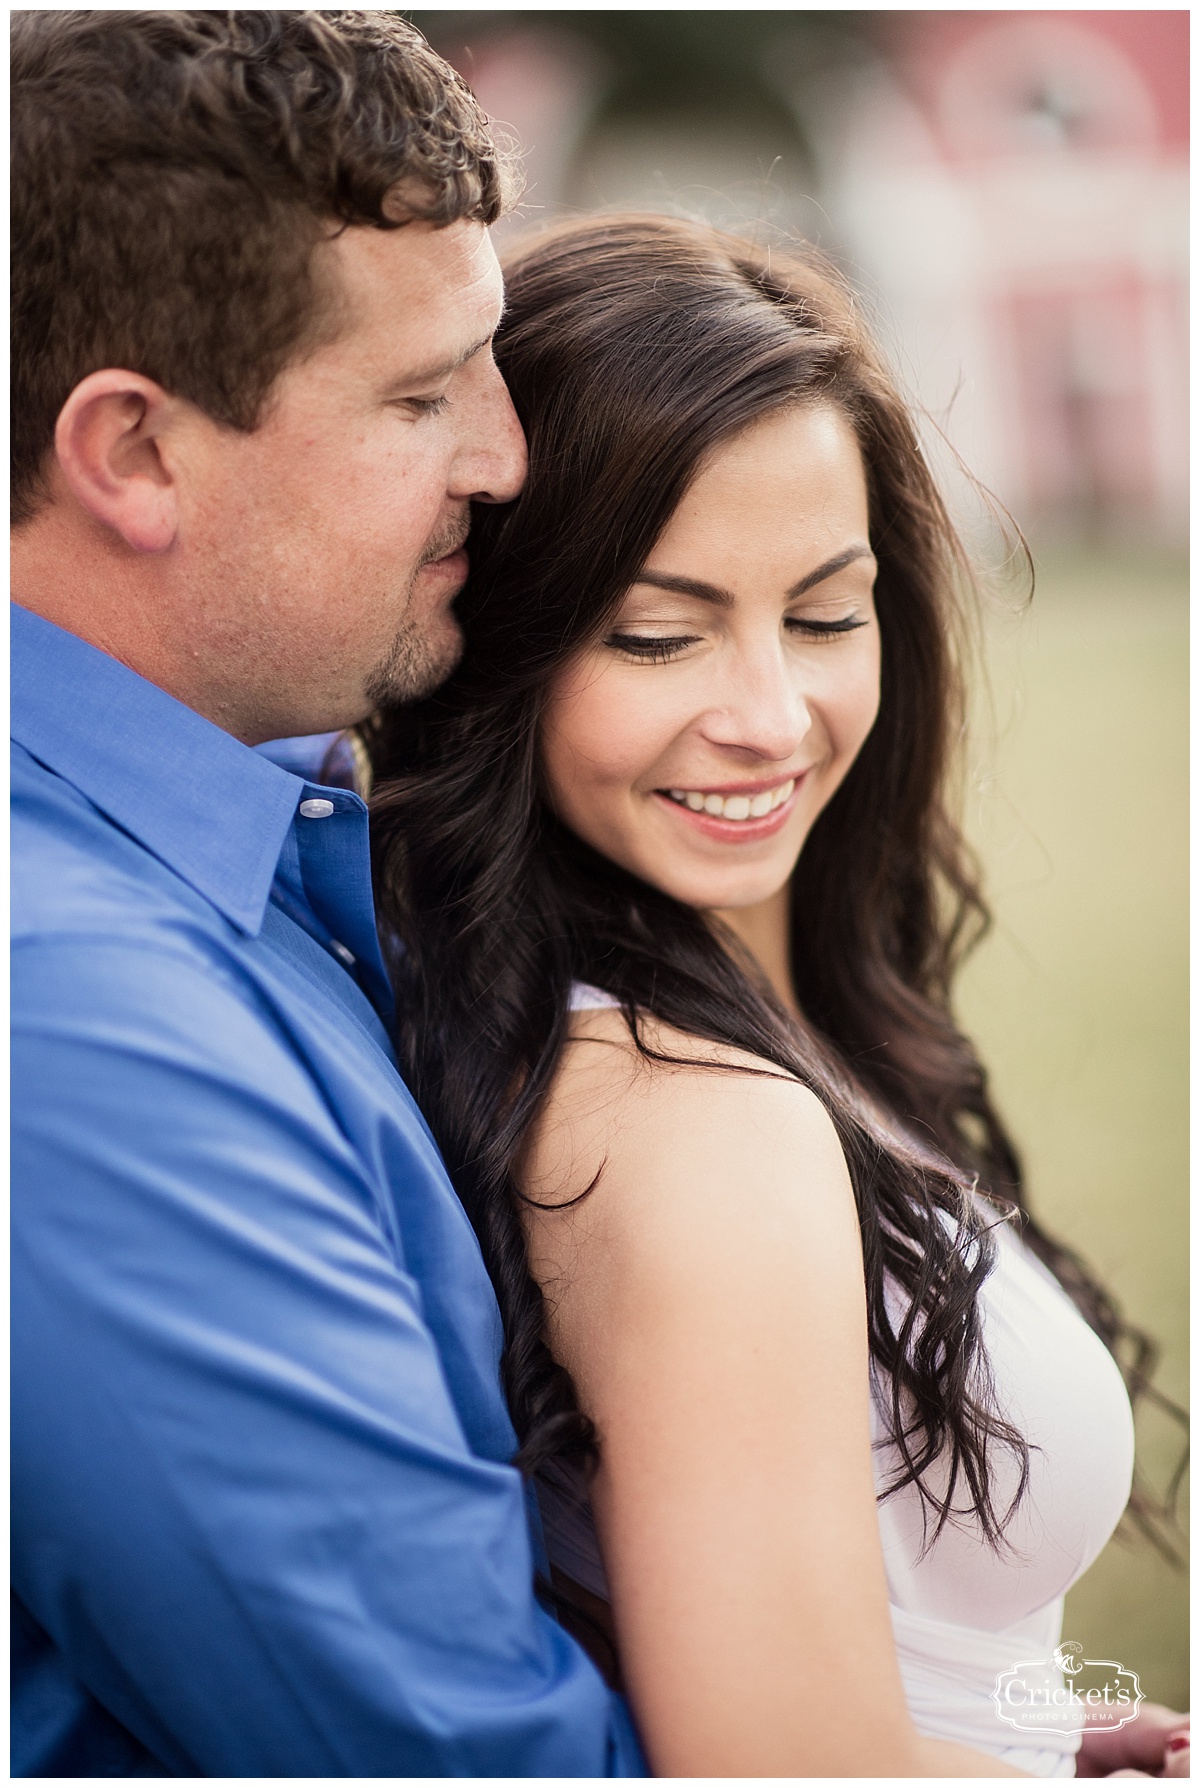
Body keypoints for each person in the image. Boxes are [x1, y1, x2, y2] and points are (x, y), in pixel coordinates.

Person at [366, 215, 1190, 1779]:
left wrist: (1019, 1737)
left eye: (825, 614)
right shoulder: (688, 1129)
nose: (770, 714)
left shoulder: (734, 1016)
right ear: (508, 656)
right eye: (660, 636)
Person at [10, 13, 647, 1775]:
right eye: (420, 393)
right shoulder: (67, 1023)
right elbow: (444, 1759)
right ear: (132, 452)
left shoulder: (238, 830)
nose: (504, 458)